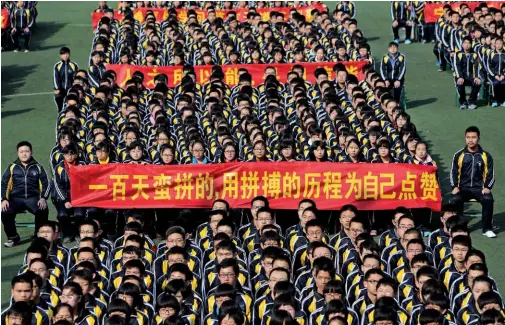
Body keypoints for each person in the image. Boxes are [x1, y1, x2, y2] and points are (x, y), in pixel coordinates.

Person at [449, 126, 495, 238]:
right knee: (455, 199)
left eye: (473, 137)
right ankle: (459, 227)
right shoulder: (459, 155)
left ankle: (487, 228)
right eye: (468, 137)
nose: (470, 140)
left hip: (479, 188)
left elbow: (491, 174)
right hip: (462, 188)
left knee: (488, 199)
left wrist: (487, 187)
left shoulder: (486, 156)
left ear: (478, 138)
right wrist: (454, 186)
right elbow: (453, 172)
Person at [1, 141, 50, 247]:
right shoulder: (12, 167)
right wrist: (4, 199)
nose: (24, 154)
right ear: (18, 153)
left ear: (31, 152)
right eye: (21, 151)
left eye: (26, 151)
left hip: (33, 198)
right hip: (15, 199)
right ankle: (13, 237)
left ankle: (38, 235)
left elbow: (46, 184)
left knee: (43, 209)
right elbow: (4, 184)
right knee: (5, 211)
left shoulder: (38, 167)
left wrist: (43, 198)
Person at [453, 36, 483, 110]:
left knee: (477, 83)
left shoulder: (475, 54)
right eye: (465, 43)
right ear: (462, 44)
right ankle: (463, 102)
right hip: (460, 76)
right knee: (460, 83)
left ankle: (472, 101)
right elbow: (456, 66)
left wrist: (476, 77)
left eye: (469, 43)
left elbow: (477, 66)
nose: (467, 45)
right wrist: (459, 77)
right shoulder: (457, 54)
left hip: (471, 76)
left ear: (471, 44)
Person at [53, 47, 79, 112]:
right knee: (58, 98)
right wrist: (57, 88)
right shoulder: (57, 65)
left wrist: (74, 87)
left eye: (67, 54)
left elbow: (76, 77)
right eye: (63, 54)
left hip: (70, 88)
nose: (65, 55)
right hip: (61, 89)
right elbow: (55, 78)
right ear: (60, 56)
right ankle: (60, 112)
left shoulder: (74, 65)